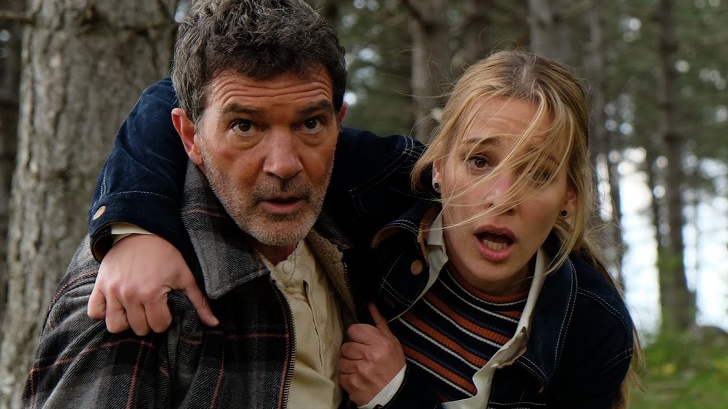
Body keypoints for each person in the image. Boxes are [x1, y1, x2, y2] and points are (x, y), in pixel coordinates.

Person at [69, 47, 642, 408]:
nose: (502, 196)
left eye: (537, 173)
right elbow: (183, 97)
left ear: (569, 198)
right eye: (479, 160)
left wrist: (397, 394)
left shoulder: (590, 326)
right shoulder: (382, 184)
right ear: (438, 166)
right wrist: (134, 230)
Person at [23, 0, 416, 407]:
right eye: (245, 126)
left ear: (339, 123)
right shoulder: (132, 304)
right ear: (189, 136)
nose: (284, 165)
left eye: (311, 123)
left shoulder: (359, 234)